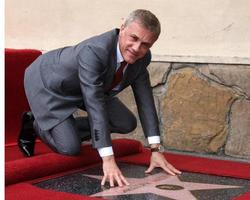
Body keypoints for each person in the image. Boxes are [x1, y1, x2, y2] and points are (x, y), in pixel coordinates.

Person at [18, 9, 181, 187]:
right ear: (122, 28)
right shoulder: (94, 51)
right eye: (134, 38)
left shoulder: (143, 58)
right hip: (50, 83)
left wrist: (155, 149)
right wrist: (108, 159)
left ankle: (64, 127)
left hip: (88, 86)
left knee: (126, 122)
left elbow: (145, 99)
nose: (137, 48)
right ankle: (34, 123)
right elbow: (95, 103)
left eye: (145, 44)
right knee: (70, 148)